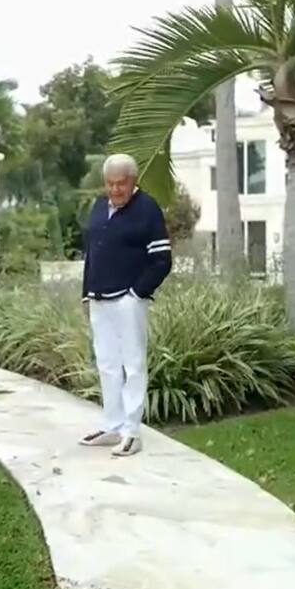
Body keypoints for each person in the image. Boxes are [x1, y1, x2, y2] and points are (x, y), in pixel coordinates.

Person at [79, 154, 172, 457]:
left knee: (132, 365)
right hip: (99, 298)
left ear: (134, 181)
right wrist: (86, 292)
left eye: (122, 184)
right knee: (106, 364)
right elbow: (91, 253)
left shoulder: (147, 209)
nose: (116, 190)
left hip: (128, 300)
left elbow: (162, 260)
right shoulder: (98, 207)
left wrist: (136, 293)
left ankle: (132, 431)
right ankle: (112, 425)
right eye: (110, 184)